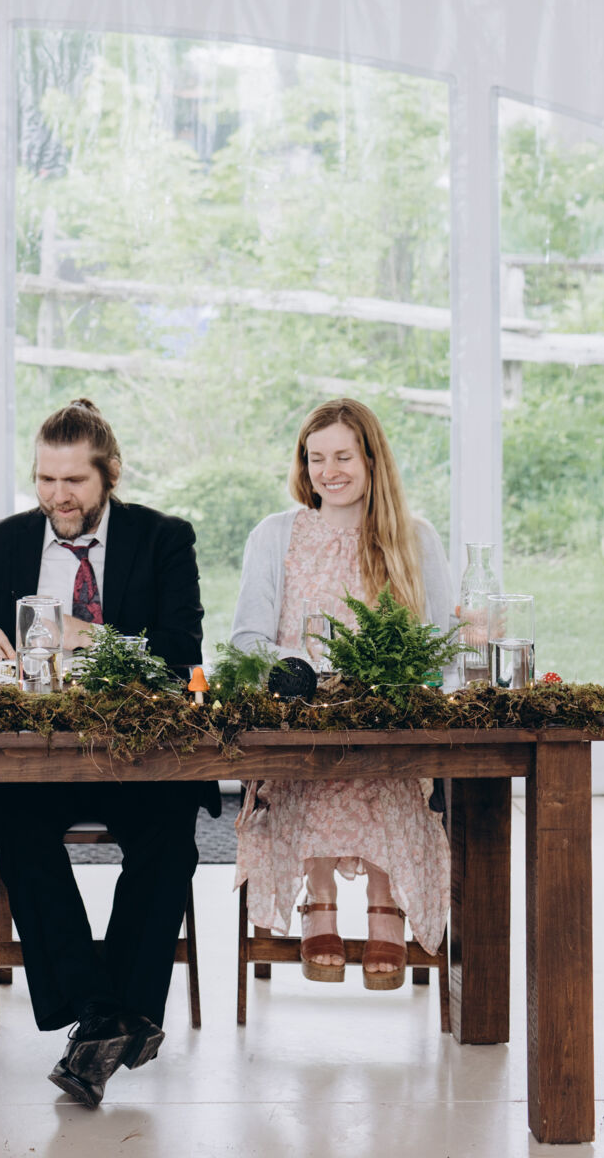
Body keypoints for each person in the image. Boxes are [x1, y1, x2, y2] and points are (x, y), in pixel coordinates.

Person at [0, 398, 215, 1109]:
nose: (57, 496)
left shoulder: (164, 539)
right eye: (45, 479)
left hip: (138, 755)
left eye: (73, 481)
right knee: (14, 821)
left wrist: (87, 636)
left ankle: (101, 1021)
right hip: (35, 757)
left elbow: (182, 657)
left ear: (110, 474)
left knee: (169, 835)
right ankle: (110, 1013)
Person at [230, 398, 453, 989]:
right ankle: (319, 895)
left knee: (382, 770)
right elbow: (247, 639)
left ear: (372, 460)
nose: (329, 471)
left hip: (388, 724)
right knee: (316, 767)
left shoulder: (415, 538)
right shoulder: (276, 535)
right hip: (302, 720)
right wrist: (303, 670)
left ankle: (386, 899)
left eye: (343, 457)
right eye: (316, 458)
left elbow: (441, 643)